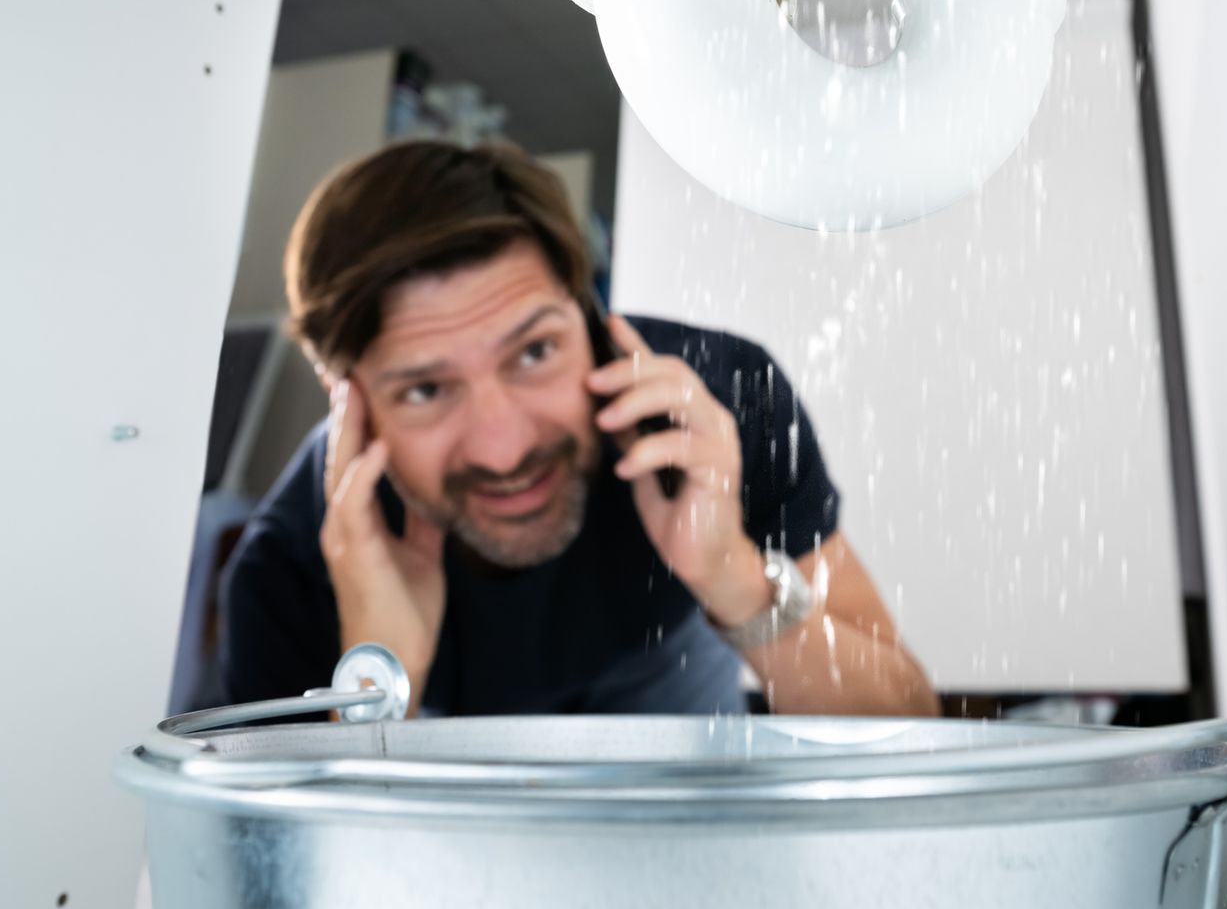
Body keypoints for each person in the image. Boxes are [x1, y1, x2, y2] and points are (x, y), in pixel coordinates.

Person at [218, 139, 936, 717]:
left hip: (666, 654)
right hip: (441, 707)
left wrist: (734, 579)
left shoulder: (723, 405)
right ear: (348, 400)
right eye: (426, 389)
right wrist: (384, 677)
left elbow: (908, 723)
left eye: (535, 352)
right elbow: (298, 884)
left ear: (590, 314)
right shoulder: (287, 565)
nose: (505, 447)